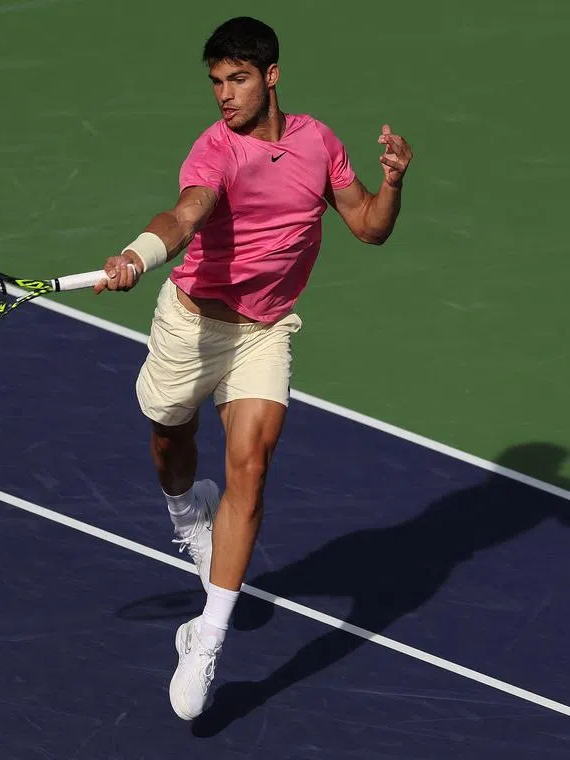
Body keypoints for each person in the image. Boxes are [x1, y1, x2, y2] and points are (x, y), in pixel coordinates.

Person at [93, 16, 412, 720]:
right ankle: (186, 514)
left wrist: (391, 182)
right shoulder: (214, 152)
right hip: (192, 325)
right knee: (169, 438)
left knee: (252, 465)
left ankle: (205, 638)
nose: (224, 95)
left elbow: (367, 225)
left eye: (236, 79)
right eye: (215, 82)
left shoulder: (317, 141)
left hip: (264, 333)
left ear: (271, 76)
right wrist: (138, 255)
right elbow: (185, 213)